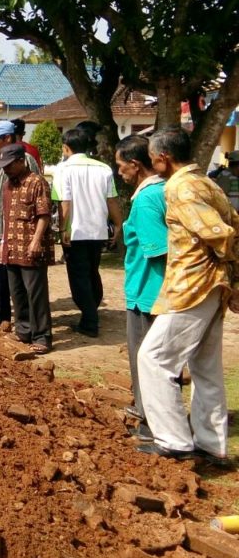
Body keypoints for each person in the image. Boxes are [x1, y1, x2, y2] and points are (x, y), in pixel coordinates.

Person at [136, 127, 239, 462]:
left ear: (163, 158)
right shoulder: (206, 182)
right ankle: (211, 444)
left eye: (152, 157)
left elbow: (221, 233)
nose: (151, 163)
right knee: (205, 367)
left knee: (154, 358)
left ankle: (174, 441)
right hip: (211, 285)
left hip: (192, 285)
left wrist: (226, 265)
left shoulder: (181, 188)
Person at [115, 135, 167, 444]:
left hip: (147, 291)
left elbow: (158, 249)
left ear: (135, 165)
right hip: (155, 290)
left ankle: (151, 425)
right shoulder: (164, 190)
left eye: (120, 166)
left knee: (146, 361)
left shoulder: (147, 199)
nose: (119, 172)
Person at [52, 127, 123, 337]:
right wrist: (118, 224)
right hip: (98, 230)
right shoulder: (104, 168)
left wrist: (62, 229)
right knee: (93, 271)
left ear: (66, 148)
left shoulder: (62, 170)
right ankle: (91, 312)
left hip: (75, 231)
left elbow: (65, 203)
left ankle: (90, 321)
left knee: (79, 276)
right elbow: (112, 200)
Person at [0, 120, 39, 327]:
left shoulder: (26, 160)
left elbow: (35, 195)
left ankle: (28, 322)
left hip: (17, 229)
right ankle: (0, 316)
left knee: (21, 281)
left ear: (7, 138)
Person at [0, 144, 55, 353]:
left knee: (36, 294)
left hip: (31, 247)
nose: (6, 169)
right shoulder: (8, 185)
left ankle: (42, 336)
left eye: (9, 165)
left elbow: (44, 214)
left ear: (21, 161)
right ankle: (23, 331)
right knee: (17, 292)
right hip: (12, 247)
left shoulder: (37, 182)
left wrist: (36, 241)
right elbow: (7, 218)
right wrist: (3, 243)